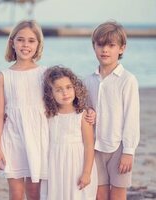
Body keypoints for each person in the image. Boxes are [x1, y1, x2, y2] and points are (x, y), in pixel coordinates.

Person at [0, 20, 49, 200]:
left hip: (39, 139)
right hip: (13, 138)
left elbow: (60, 105)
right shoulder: (3, 76)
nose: (26, 45)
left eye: (31, 41)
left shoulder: (46, 73)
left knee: (34, 193)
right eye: (21, 40)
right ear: (12, 43)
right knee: (16, 193)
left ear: (38, 44)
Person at [84, 21, 140, 200]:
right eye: (100, 44)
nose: (105, 50)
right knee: (99, 194)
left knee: (117, 194)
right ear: (94, 46)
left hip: (119, 147)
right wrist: (89, 112)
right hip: (95, 147)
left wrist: (128, 151)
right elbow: (85, 110)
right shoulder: (88, 81)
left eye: (111, 45)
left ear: (122, 48)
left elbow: (131, 117)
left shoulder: (127, 80)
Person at [43, 65, 98, 200]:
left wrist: (86, 172)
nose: (65, 93)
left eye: (68, 87)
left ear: (75, 88)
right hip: (55, 165)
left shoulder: (82, 115)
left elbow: (89, 145)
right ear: (50, 94)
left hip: (78, 164)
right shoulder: (49, 115)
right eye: (59, 90)